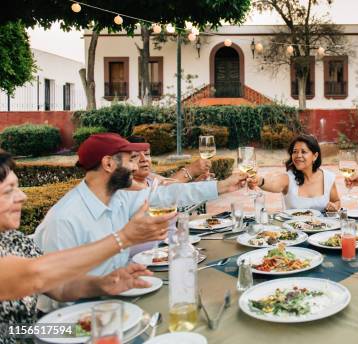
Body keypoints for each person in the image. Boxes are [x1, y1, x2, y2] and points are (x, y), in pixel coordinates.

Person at [0, 150, 170, 343]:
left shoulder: (15, 239)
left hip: (30, 335)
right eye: (8, 191)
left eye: (18, 187)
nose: (22, 196)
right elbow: (36, 275)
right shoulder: (64, 217)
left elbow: (58, 288)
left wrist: (102, 285)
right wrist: (123, 238)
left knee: (128, 330)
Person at [33, 133, 246, 277]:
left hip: (121, 298)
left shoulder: (118, 198)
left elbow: (168, 194)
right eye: (130, 160)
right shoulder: (64, 220)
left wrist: (222, 186)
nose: (135, 166)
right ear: (108, 164)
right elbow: (59, 289)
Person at [247, 134, 341, 212]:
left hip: (322, 231)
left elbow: (336, 201)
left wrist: (335, 207)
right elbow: (272, 183)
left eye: (303, 152)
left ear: (315, 156)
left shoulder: (328, 178)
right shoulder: (288, 178)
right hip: (294, 232)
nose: (298, 156)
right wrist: (259, 181)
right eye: (295, 152)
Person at [126, 135, 212, 190]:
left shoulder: (149, 178)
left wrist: (195, 184)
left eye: (147, 154)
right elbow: (160, 194)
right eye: (135, 156)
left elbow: (170, 185)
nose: (144, 159)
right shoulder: (125, 186)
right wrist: (191, 170)